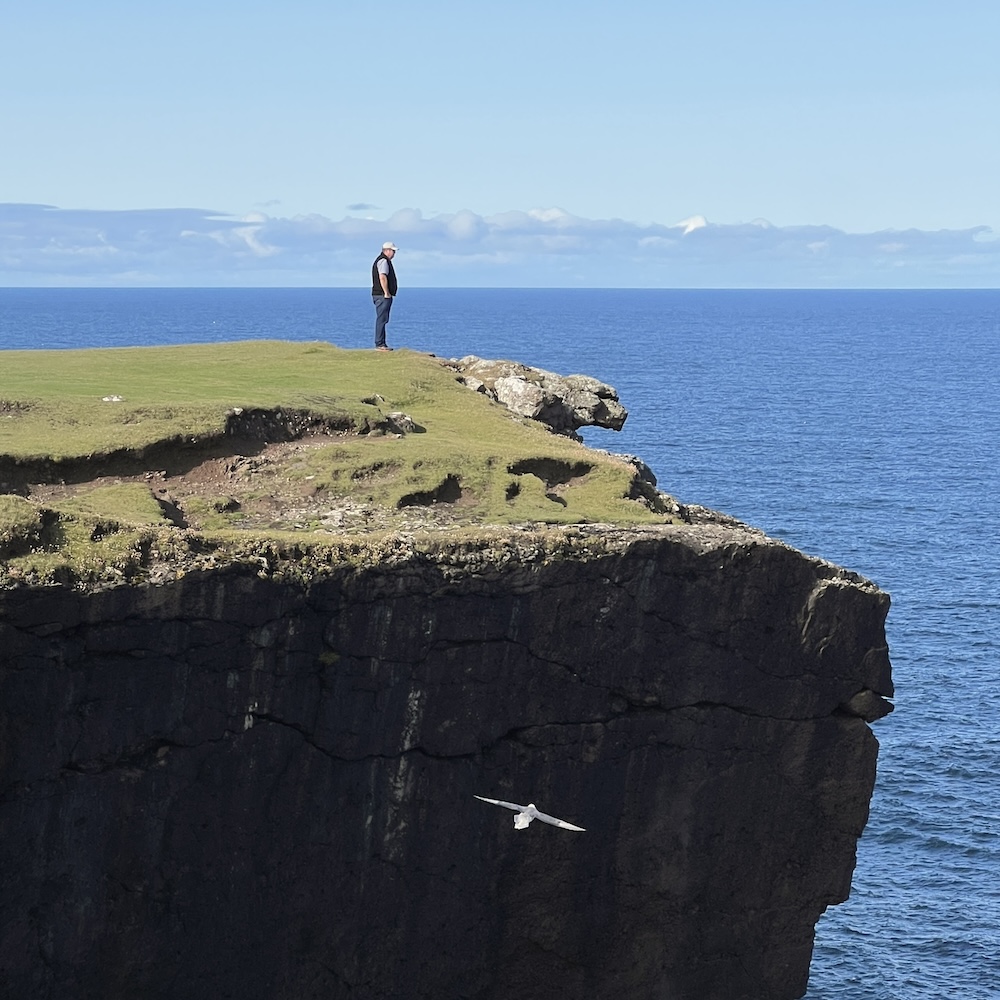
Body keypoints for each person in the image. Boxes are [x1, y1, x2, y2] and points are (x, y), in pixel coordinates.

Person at [371, 241, 398, 351]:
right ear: (387, 250)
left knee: (383, 319)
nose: (394, 254)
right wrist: (386, 292)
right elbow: (382, 277)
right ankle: (380, 344)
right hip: (382, 295)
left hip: (380, 295)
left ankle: (381, 343)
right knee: (382, 319)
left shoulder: (383, 260)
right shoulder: (383, 261)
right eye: (393, 251)